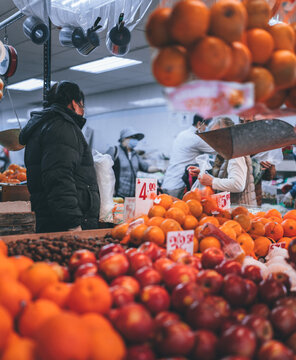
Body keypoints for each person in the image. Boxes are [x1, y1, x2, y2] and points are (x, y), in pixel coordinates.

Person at [19, 81, 100, 233]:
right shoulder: (62, 127)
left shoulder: (46, 125)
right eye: (82, 105)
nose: (82, 111)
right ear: (74, 104)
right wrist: (72, 223)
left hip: (50, 218)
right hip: (62, 224)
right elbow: (59, 177)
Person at [188, 117, 257, 206]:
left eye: (217, 135)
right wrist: (204, 175)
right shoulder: (227, 152)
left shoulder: (235, 153)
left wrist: (212, 181)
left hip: (241, 211)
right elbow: (227, 178)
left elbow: (237, 184)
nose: (213, 140)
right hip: (235, 210)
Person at [161, 114, 215, 199]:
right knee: (178, 210)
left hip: (168, 181)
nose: (207, 129)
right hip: (178, 185)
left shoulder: (183, 134)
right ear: (199, 124)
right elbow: (218, 150)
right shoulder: (196, 139)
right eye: (206, 126)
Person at [106, 127, 161, 198]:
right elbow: (103, 169)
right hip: (116, 195)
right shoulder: (114, 151)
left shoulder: (135, 155)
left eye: (136, 138)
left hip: (132, 196)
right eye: (132, 137)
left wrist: (160, 169)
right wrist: (109, 189)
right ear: (124, 138)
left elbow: (147, 168)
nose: (135, 140)